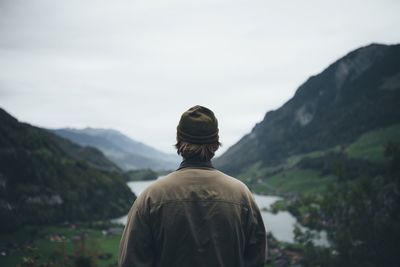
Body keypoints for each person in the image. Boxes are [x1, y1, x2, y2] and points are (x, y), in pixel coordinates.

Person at [119, 105, 267, 267]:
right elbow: (256, 259)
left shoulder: (151, 196)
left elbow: (131, 261)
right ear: (216, 143)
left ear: (179, 140)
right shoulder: (241, 195)